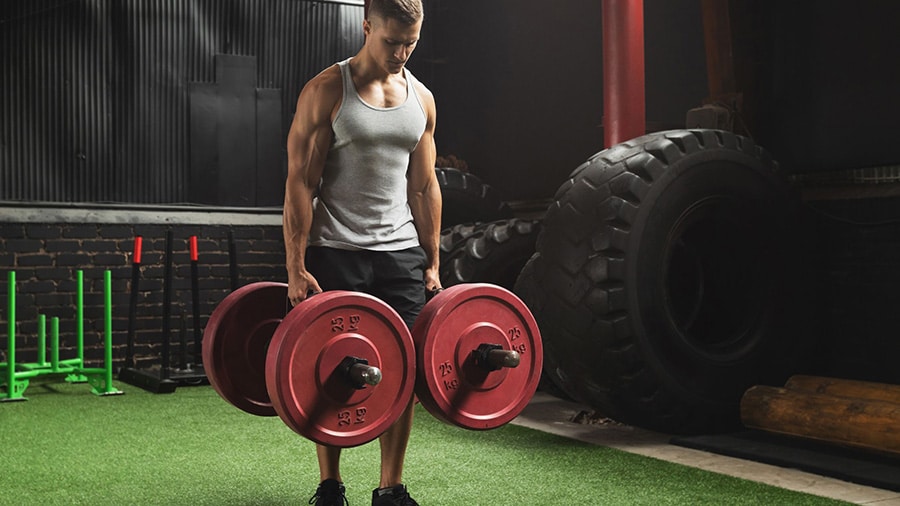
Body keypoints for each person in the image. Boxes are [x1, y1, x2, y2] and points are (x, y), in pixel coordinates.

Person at [282, 0, 440, 505]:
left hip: (399, 254)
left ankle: (390, 489)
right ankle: (330, 486)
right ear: (367, 26)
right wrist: (296, 266)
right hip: (336, 250)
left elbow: (424, 186)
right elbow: (300, 184)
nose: (401, 53)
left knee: (406, 370)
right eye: (391, 41)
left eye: (410, 43)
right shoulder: (328, 90)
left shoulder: (422, 99)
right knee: (332, 369)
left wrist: (432, 259)